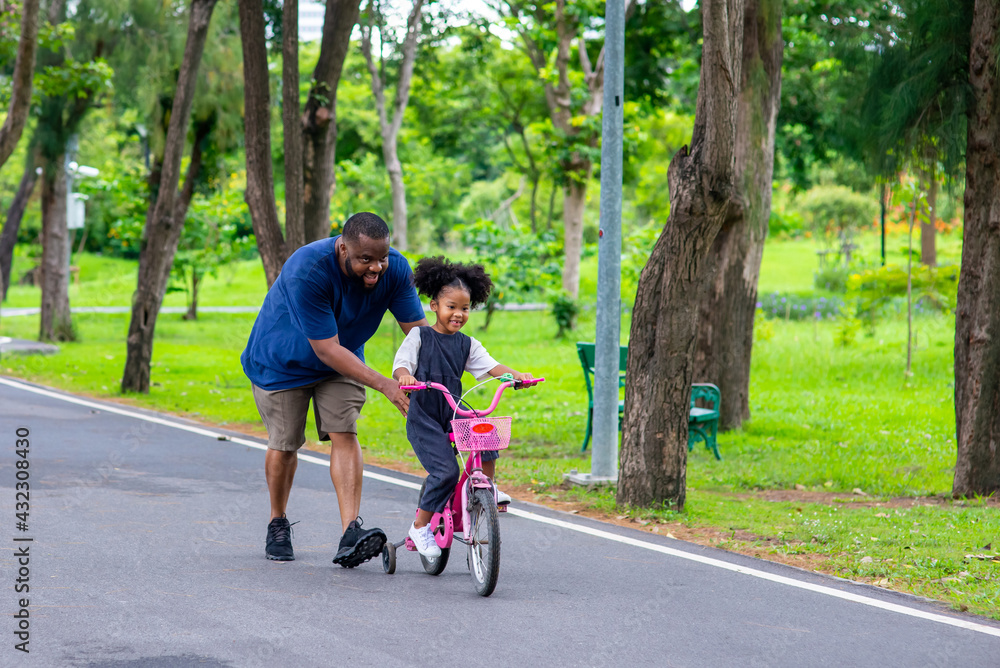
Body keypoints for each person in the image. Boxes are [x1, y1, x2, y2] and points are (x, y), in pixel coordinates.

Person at [241, 212, 428, 566]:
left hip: (344, 360)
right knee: (285, 443)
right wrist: (385, 384)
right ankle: (277, 521)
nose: (376, 268)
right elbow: (325, 349)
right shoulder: (309, 269)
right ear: (343, 248)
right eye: (365, 260)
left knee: (345, 431)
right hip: (283, 363)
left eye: (382, 258)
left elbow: (419, 334)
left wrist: (449, 370)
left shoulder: (397, 271)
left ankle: (349, 534)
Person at [391, 257, 533, 558]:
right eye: (451, 306)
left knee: (486, 431)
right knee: (445, 471)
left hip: (452, 410)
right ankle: (420, 526)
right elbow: (402, 364)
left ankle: (487, 487)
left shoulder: (467, 344)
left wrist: (516, 376)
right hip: (425, 416)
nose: (458, 314)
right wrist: (404, 375)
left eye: (465, 308)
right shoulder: (420, 336)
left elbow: (492, 367)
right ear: (434, 306)